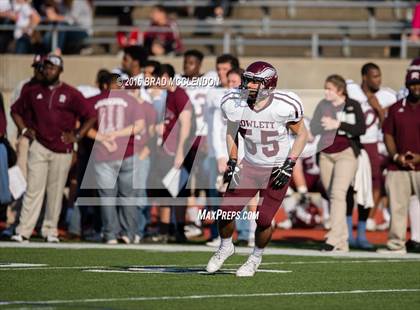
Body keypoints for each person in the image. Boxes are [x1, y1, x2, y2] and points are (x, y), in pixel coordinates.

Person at [206, 61, 308, 277]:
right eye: (248, 80)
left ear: (269, 85)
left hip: (277, 168)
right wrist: (233, 161)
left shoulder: (284, 105)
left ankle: (255, 258)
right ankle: (225, 247)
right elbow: (231, 131)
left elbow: (303, 134)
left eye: (255, 82)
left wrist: (290, 163)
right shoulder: (234, 102)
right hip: (251, 166)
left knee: (263, 220)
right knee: (224, 213)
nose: (250, 85)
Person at [10, 54, 96, 243]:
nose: (48, 70)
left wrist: (77, 135)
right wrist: (23, 129)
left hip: (62, 147)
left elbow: (90, 115)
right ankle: (24, 230)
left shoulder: (70, 93)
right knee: (33, 188)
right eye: (46, 67)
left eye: (52, 68)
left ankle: (50, 230)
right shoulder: (33, 91)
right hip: (39, 145)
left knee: (55, 191)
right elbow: (15, 110)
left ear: (60, 70)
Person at [86, 73, 146, 244]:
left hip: (103, 154)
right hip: (127, 153)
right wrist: (117, 134)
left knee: (107, 197)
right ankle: (128, 233)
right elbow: (139, 126)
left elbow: (82, 128)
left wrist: (104, 138)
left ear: (105, 85)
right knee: (128, 196)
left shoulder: (94, 100)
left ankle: (110, 234)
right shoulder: (131, 100)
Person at [310, 74, 366, 252]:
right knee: (332, 195)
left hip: (346, 153)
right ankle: (342, 241)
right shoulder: (323, 105)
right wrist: (323, 125)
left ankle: (333, 238)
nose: (326, 92)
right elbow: (313, 128)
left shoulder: (353, 105)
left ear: (340, 91)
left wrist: (338, 124)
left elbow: (361, 129)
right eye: (325, 88)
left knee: (338, 193)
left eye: (329, 89)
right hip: (326, 154)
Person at [346, 63, 397, 249]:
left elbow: (389, 125)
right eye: (374, 76)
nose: (378, 80)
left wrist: (378, 109)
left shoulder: (387, 96)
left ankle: (361, 233)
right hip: (351, 142)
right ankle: (347, 233)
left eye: (379, 76)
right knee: (348, 189)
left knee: (369, 190)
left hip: (371, 143)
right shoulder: (351, 89)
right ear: (364, 77)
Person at [148, 64, 193, 243]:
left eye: (158, 77)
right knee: (165, 192)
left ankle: (179, 231)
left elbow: (186, 123)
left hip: (175, 152)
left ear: (165, 76)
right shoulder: (170, 94)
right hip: (167, 150)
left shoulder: (180, 94)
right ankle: (165, 230)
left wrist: (180, 152)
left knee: (179, 193)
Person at [378, 68, 420, 254]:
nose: (416, 88)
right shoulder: (396, 108)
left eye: (418, 84)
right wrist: (397, 156)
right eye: (412, 84)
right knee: (397, 207)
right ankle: (397, 244)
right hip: (398, 166)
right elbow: (388, 134)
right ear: (407, 85)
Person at [204, 54, 240, 246]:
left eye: (225, 69)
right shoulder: (213, 94)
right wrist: (218, 153)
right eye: (218, 69)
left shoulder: (243, 96)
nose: (221, 73)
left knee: (239, 193)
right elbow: (212, 126)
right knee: (215, 193)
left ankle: (241, 233)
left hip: (236, 152)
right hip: (216, 151)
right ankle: (217, 233)